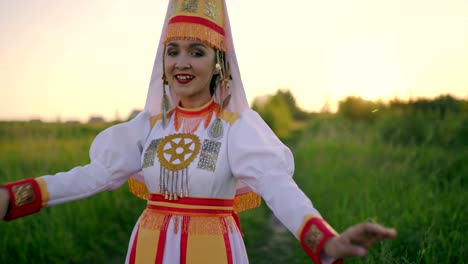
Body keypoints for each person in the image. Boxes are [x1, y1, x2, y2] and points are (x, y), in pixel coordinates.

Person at [0, 1, 396, 263]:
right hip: (148, 247)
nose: (182, 62)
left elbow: (279, 189)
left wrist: (326, 240)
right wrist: (12, 197)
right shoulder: (148, 127)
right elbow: (93, 176)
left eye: (197, 51)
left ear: (217, 63)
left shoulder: (235, 130)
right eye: (173, 51)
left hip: (213, 250)